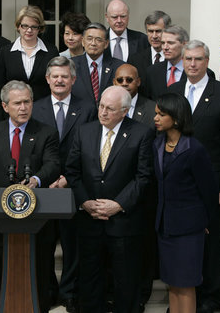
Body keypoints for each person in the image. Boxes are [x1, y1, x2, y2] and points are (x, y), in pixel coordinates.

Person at [0, 80, 60, 313]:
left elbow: (53, 164)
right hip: (0, 219)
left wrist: (36, 180)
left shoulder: (46, 132)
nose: (24, 107)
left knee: (39, 273)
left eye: (27, 102)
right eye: (17, 103)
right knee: (4, 270)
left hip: (37, 219)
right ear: (5, 106)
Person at [65, 86, 154, 313]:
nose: (103, 112)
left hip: (123, 223)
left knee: (126, 282)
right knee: (90, 280)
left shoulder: (141, 133)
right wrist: (85, 202)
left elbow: (143, 177)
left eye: (110, 109)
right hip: (90, 221)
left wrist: (119, 204)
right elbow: (72, 172)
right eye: (101, 106)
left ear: (124, 111)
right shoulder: (84, 131)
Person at [169, 40, 220, 313]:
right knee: (181, 243)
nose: (192, 64)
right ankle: (184, 299)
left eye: (198, 59)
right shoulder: (174, 92)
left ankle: (210, 299)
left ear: (206, 61)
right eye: (188, 59)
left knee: (210, 244)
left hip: (211, 185)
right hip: (177, 185)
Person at [32, 56, 97, 313]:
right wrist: (45, 178)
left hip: (73, 185)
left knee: (73, 244)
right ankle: (48, 291)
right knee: (45, 242)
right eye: (55, 76)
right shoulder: (35, 108)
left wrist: (68, 178)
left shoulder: (88, 107)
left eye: (64, 76)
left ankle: (69, 292)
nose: (59, 80)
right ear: (47, 79)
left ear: (73, 79)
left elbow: (91, 148)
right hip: (44, 187)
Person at [153, 93, 217, 313]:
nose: (156, 118)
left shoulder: (195, 149)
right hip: (165, 226)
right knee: (172, 282)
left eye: (162, 114)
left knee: (186, 283)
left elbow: (208, 191)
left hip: (189, 228)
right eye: (156, 114)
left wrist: (204, 221)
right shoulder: (158, 144)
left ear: (177, 118)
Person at [113, 63, 156, 312]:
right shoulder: (106, 106)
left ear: (138, 82)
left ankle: (141, 294)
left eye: (130, 79)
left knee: (142, 248)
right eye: (120, 80)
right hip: (111, 191)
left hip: (142, 191)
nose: (125, 84)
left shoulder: (151, 109)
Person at [0, 5, 59, 120]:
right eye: (25, 26)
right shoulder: (5, 52)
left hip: (44, 113)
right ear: (18, 26)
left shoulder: (51, 51)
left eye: (34, 27)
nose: (29, 30)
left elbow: (55, 84)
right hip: (13, 115)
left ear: (40, 28)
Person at [71, 22, 123, 106]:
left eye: (98, 40)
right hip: (79, 116)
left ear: (106, 44)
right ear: (83, 42)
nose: (93, 43)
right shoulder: (70, 65)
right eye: (89, 39)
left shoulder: (118, 66)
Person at [128, 10, 172, 94]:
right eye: (151, 31)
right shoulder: (135, 60)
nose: (154, 36)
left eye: (158, 31)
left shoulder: (175, 59)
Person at [145, 26, 189, 100]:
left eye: (170, 43)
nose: (165, 47)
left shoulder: (197, 72)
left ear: (184, 44)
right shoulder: (152, 72)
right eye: (163, 43)